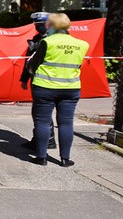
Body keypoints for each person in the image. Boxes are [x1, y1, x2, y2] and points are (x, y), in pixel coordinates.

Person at [23, 13, 89, 167]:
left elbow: (33, 64)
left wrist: (29, 68)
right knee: (66, 123)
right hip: (70, 87)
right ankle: (65, 159)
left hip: (45, 87)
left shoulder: (47, 42)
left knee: (43, 122)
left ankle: (41, 157)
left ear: (51, 26)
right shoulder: (82, 44)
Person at [20, 12, 57, 151]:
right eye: (36, 25)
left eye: (41, 25)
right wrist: (24, 79)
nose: (38, 27)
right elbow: (29, 61)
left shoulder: (54, 40)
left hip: (50, 81)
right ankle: (39, 138)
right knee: (37, 112)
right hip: (37, 80)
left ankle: (48, 140)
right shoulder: (36, 39)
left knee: (43, 112)